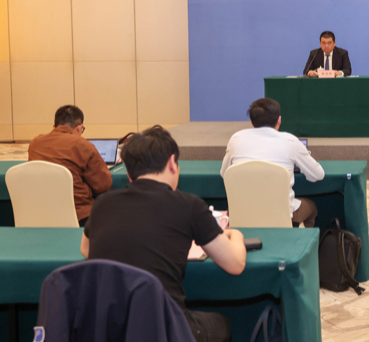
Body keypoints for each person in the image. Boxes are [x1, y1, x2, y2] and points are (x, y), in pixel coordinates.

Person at [82, 126, 247, 342]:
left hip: (109, 328)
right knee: (222, 324)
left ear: (129, 173)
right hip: (164, 326)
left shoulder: (103, 203)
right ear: (172, 163)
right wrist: (236, 235)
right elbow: (235, 264)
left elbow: (86, 249)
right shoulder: (188, 205)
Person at [220, 98, 324, 228]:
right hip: (283, 216)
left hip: (242, 215)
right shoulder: (290, 141)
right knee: (311, 208)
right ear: (279, 120)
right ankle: (299, 240)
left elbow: (225, 173)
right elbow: (318, 175)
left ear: (251, 122)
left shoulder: (236, 139)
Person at [28, 105, 112, 226]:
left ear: (54, 128)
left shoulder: (35, 144)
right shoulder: (83, 145)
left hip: (40, 214)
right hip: (79, 217)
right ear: (79, 128)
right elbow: (103, 185)